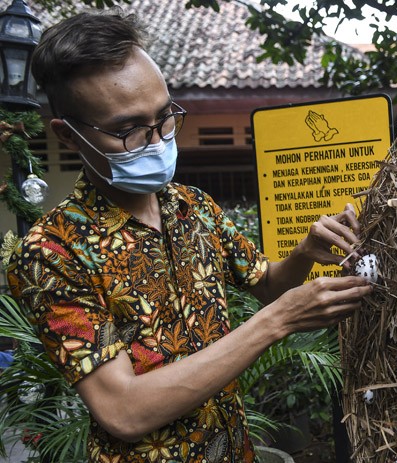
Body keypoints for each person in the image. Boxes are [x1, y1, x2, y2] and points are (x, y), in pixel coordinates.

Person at [5, 10, 372, 463]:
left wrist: (304, 252)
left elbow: (268, 284)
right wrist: (277, 321)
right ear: (68, 136)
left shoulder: (193, 206)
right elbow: (122, 410)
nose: (157, 140)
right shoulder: (51, 251)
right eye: (128, 130)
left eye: (164, 117)